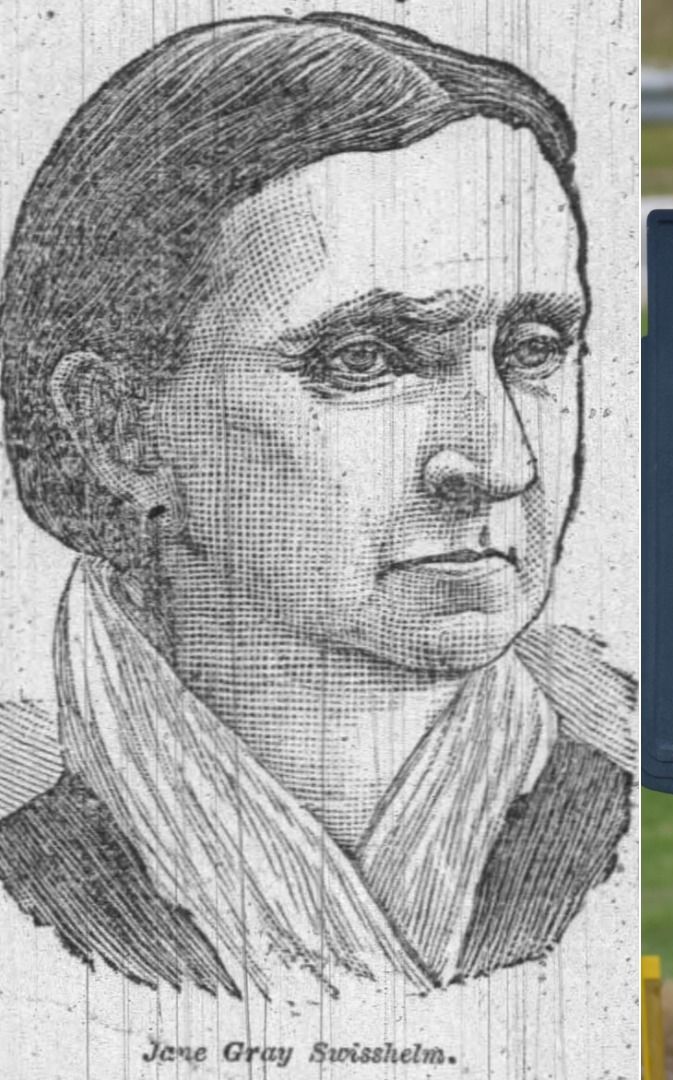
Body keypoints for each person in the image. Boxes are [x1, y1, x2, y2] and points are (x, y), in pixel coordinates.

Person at [0, 13, 632, 999]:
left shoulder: (624, 826)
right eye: (366, 360)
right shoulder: (29, 861)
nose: (499, 461)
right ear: (119, 433)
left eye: (534, 350)